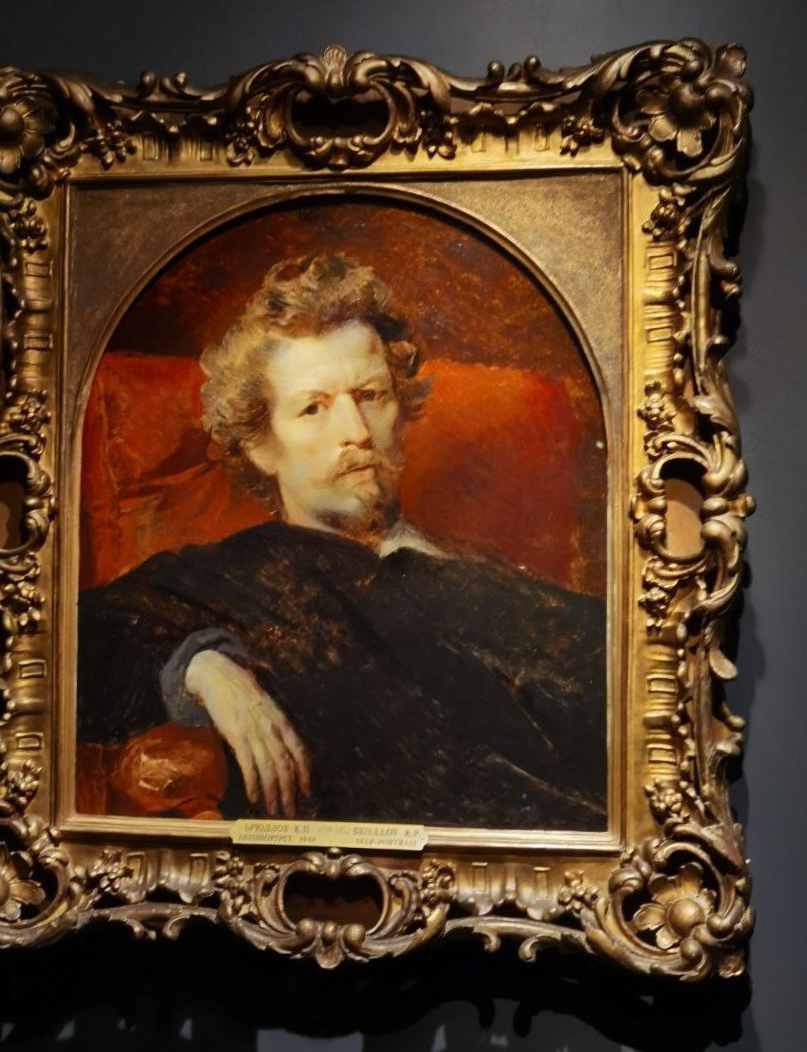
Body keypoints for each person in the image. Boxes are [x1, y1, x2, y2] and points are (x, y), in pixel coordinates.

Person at [77, 254, 607, 830]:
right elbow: (61, 653)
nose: (356, 433)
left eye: (371, 396)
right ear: (261, 445)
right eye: (313, 408)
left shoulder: (482, 569)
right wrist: (199, 667)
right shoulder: (230, 575)